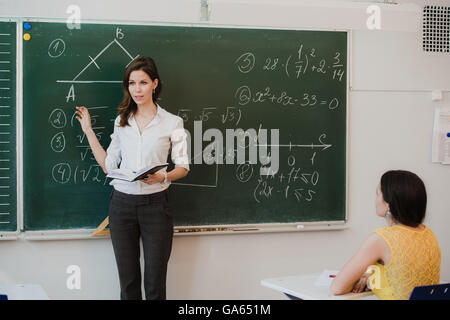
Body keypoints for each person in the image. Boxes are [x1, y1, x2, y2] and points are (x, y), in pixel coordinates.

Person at [75, 56, 189, 300]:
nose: (137, 89)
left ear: (155, 84)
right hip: (122, 206)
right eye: (132, 83)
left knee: (154, 285)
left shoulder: (172, 122)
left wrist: (162, 176)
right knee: (128, 285)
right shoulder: (121, 121)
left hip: (156, 206)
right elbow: (108, 166)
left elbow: (183, 167)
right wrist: (88, 131)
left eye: (143, 83)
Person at [331, 170, 441, 300]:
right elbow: (403, 276)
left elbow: (337, 288)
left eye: (377, 193)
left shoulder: (382, 239)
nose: (376, 199)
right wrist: (371, 278)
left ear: (389, 203)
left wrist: (366, 279)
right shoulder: (428, 234)